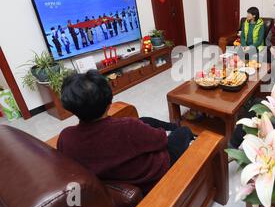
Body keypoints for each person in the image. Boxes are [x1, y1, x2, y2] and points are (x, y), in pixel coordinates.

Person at [57, 70, 194, 194]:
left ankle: (172, 126)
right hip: (152, 173)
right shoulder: (127, 127)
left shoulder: (66, 137)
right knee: (184, 131)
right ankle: (178, 128)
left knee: (144, 120)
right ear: (109, 102)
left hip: (115, 175)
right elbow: (161, 141)